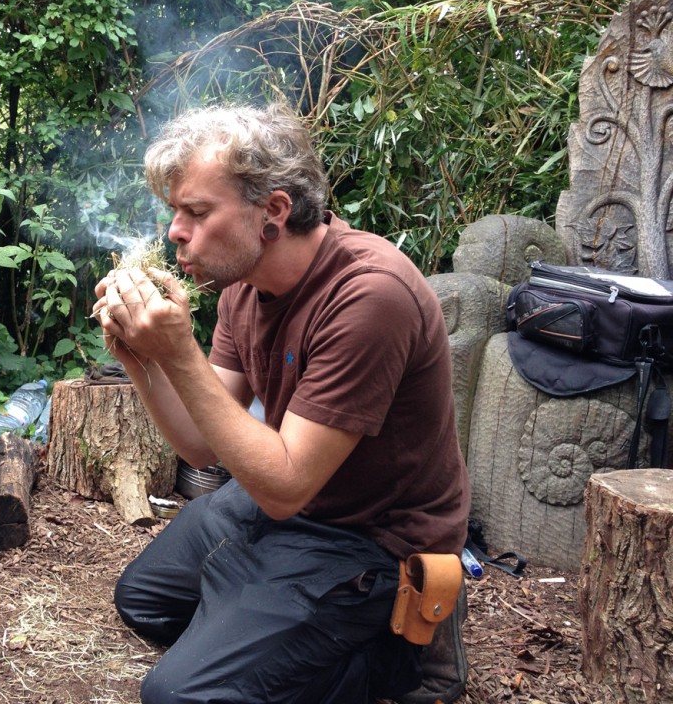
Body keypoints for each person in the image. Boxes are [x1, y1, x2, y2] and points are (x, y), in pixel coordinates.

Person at [92, 102, 471, 704]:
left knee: (178, 695)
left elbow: (286, 485)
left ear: (273, 212)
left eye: (196, 212)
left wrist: (180, 351)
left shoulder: (370, 295)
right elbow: (198, 443)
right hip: (285, 499)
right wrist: (141, 358)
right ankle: (261, 606)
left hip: (370, 534)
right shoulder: (245, 284)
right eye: (175, 212)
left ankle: (402, 656)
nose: (175, 233)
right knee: (143, 601)